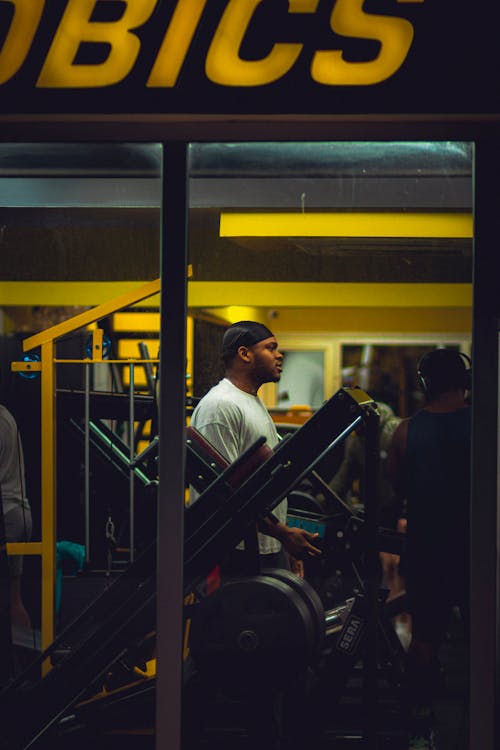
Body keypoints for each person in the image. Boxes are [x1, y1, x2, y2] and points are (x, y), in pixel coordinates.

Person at [190, 321, 322, 578]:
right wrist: (283, 534)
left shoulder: (250, 401)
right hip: (236, 551)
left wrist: (283, 542)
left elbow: (265, 481)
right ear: (244, 354)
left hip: (266, 543)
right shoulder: (220, 406)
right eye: (270, 348)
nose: (279, 354)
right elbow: (225, 493)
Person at [388, 348, 471, 748]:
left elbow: (398, 489)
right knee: (484, 636)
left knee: (424, 639)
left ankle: (420, 728)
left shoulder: (404, 431)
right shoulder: (488, 425)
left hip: (429, 550)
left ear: (425, 384)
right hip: (477, 552)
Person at [0, 403, 32, 630]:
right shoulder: (5, 417)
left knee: (12, 601)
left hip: (7, 514)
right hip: (14, 510)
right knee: (14, 600)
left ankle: (20, 662)